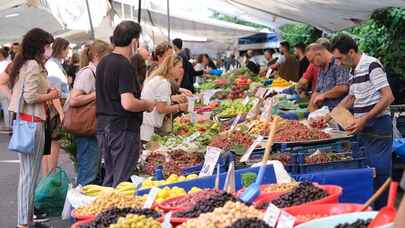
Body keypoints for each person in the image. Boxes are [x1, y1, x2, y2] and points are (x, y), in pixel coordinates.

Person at [332, 34, 395, 209]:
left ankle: (383, 212)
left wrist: (364, 119)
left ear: (351, 52)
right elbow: (352, 97)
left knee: (380, 171)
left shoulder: (372, 65)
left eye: (339, 58)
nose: (338, 63)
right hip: (363, 126)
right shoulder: (353, 69)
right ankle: (373, 210)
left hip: (378, 126)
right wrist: (329, 116)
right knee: (370, 171)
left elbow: (388, 97)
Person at [8, 28, 59, 228]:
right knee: (29, 176)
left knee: (28, 175)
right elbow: (30, 97)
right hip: (32, 124)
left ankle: (27, 220)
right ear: (39, 46)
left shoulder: (27, 63)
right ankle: (24, 222)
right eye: (47, 45)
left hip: (29, 122)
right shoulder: (32, 65)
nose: (49, 49)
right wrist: (50, 95)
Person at [96, 20, 155, 187]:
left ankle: (105, 211)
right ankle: (116, 212)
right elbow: (128, 103)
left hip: (104, 127)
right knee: (121, 182)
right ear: (134, 41)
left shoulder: (103, 62)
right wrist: (147, 104)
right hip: (122, 130)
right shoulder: (123, 64)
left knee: (109, 177)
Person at [70, 40, 112, 186]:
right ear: (97, 56)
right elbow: (74, 100)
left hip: (94, 128)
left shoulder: (95, 72)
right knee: (87, 173)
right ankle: (80, 205)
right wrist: (97, 94)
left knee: (91, 170)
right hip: (87, 129)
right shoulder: (87, 73)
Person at [140, 54, 189, 142]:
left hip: (145, 127)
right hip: (148, 130)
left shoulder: (158, 78)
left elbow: (157, 101)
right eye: (180, 67)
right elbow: (161, 108)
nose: (182, 70)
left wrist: (172, 99)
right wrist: (180, 107)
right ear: (171, 68)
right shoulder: (164, 83)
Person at [43, 37, 69, 177]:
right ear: (61, 49)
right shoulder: (53, 65)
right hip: (55, 107)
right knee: (54, 145)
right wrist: (61, 112)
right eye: (66, 49)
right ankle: (50, 178)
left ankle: (47, 178)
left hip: (52, 106)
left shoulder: (54, 64)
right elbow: (54, 91)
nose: (68, 52)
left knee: (49, 146)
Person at [305, 43, 350, 112]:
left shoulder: (338, 63)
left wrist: (324, 95)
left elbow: (343, 87)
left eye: (312, 61)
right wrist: (310, 107)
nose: (312, 64)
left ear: (319, 54)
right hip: (321, 111)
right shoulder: (321, 68)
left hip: (335, 112)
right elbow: (317, 90)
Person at [0, 48, 11, 132]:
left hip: (3, 87)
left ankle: (8, 125)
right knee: (6, 106)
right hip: (6, 87)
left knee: (6, 106)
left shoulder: (4, 64)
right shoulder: (7, 63)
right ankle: (9, 125)